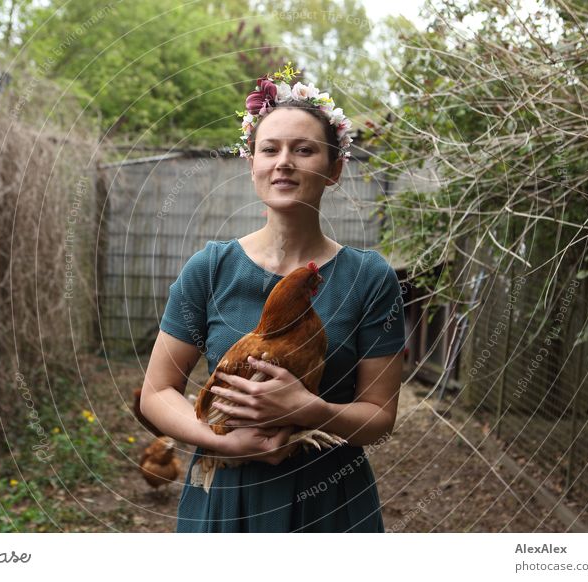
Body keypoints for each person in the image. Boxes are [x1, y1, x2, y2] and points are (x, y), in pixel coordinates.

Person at [139, 63, 406, 532]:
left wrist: (311, 409)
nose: (284, 161)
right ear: (253, 165)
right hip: (226, 493)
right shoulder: (212, 268)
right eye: (270, 149)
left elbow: (380, 416)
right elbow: (156, 392)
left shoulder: (370, 278)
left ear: (334, 168)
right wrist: (225, 443)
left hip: (330, 501)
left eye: (304, 150)